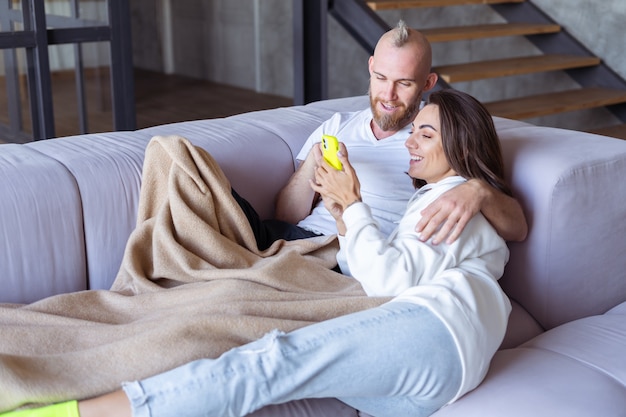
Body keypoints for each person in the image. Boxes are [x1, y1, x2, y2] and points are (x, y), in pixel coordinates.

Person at [6, 89, 514, 417]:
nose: (411, 143)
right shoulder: (441, 199)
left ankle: (72, 413)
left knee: (264, 364)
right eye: (414, 132)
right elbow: (379, 267)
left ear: (463, 144)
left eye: (426, 133)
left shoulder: (453, 201)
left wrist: (354, 202)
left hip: (434, 335)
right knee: (238, 337)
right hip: (423, 385)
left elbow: (386, 281)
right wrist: (341, 208)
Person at [240, 20, 527, 251]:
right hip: (284, 237)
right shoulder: (337, 125)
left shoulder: (437, 137)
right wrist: (314, 163)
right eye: (381, 78)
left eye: (403, 83)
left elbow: (517, 227)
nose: (388, 96)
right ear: (370, 67)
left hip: (341, 254)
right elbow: (285, 217)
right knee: (194, 166)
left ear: (428, 83)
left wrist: (478, 190)